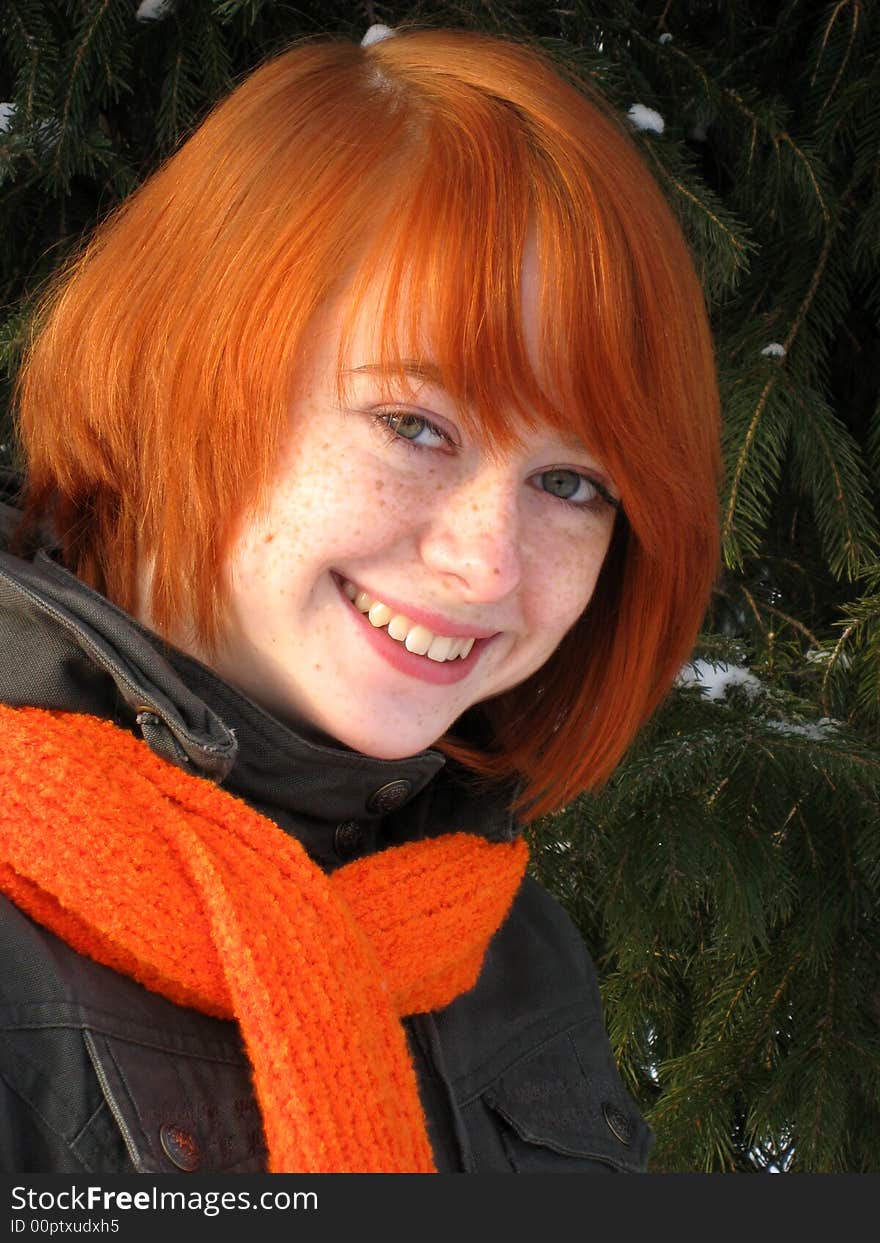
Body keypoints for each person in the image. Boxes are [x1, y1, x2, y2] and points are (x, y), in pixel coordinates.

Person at [0, 25, 720, 1174]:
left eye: (570, 482)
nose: (487, 564)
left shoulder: (489, 930)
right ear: (181, 371)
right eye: (413, 425)